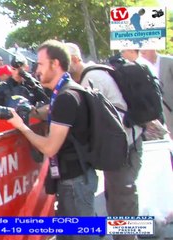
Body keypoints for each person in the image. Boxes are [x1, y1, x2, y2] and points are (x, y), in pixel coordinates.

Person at [6, 40, 98, 239]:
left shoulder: (66, 96)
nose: (36, 69)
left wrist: (21, 126)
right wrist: (32, 112)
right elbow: (52, 111)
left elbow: (49, 148)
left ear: (55, 64)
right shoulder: (65, 92)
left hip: (75, 183)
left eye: (40, 64)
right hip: (72, 180)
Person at [67, 42, 143, 240]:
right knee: (117, 197)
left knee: (122, 198)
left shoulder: (91, 79)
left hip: (124, 145)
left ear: (76, 60)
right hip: (121, 143)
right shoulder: (91, 76)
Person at [140, 50, 173, 139]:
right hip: (161, 109)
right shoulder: (142, 65)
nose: (141, 53)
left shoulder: (169, 61)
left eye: (144, 51)